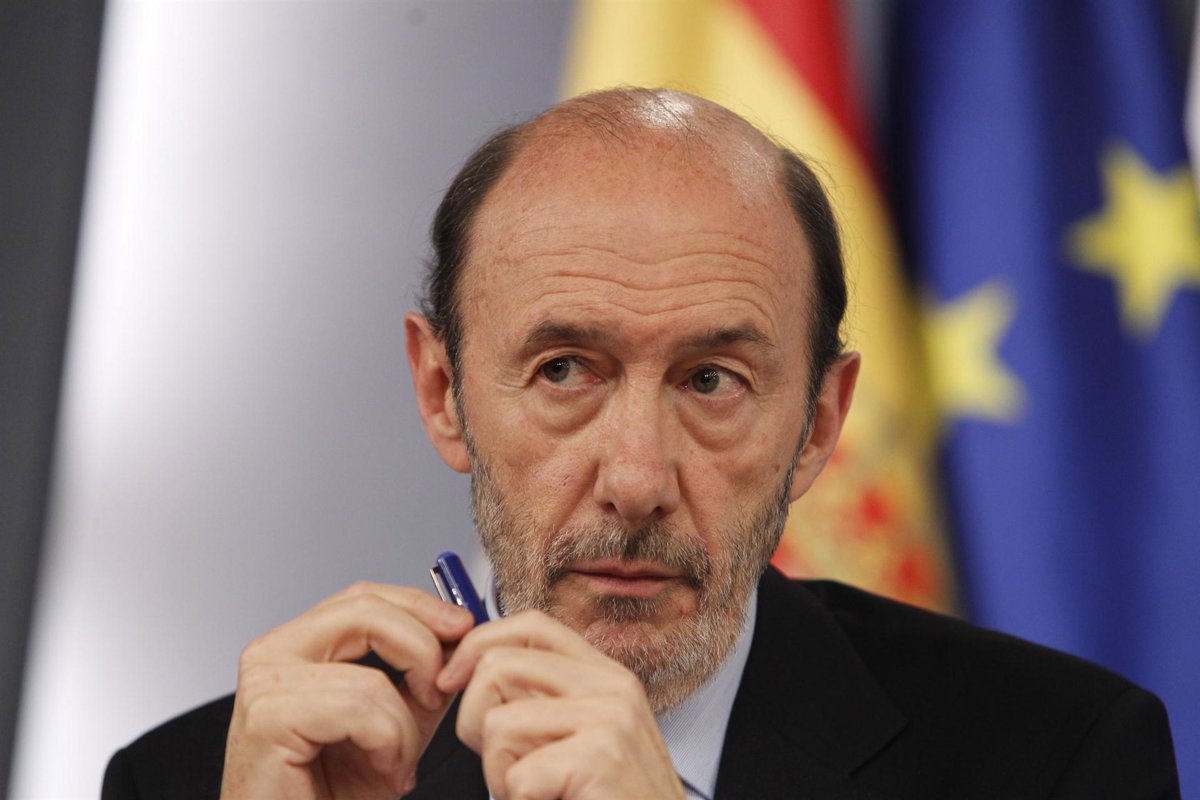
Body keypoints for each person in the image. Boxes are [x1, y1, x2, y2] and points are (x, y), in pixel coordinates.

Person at [101, 88, 1180, 800]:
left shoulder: (1059, 760)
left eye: (712, 381)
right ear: (442, 392)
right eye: (565, 369)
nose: (635, 479)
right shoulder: (204, 778)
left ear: (818, 423)